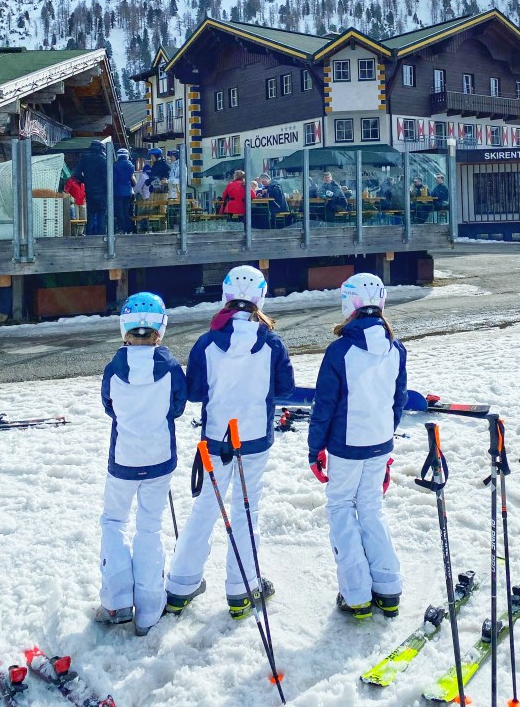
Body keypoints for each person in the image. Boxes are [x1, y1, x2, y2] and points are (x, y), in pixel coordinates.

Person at [165, 266, 294, 620]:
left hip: (217, 437)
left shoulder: (208, 342)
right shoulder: (270, 341)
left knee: (207, 505)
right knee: (246, 509)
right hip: (254, 439)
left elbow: (193, 392)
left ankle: (180, 584)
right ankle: (241, 588)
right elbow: (284, 389)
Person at [308, 273, 407, 621]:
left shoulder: (340, 350)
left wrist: (314, 448)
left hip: (346, 444)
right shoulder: (395, 347)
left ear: (349, 303)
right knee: (371, 510)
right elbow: (399, 400)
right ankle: (388, 587)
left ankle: (357, 594)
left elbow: (324, 405)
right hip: (378, 441)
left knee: (340, 509)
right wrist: (385, 438)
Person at [97, 292, 187, 636]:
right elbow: (177, 407)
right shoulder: (170, 366)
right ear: (159, 331)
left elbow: (109, 404)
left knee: (114, 520)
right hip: (159, 457)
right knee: (149, 526)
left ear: (125, 330)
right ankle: (149, 610)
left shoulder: (114, 368)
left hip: (124, 458)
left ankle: (118, 601)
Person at [74, 140, 108, 235]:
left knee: (91, 214)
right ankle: (101, 236)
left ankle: (89, 236)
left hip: (89, 190)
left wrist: (84, 180)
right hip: (101, 191)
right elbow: (107, 177)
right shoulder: (103, 160)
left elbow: (76, 174)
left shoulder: (84, 158)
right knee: (101, 214)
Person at [113, 148, 136, 234]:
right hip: (128, 191)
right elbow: (132, 179)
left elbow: (114, 180)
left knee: (119, 212)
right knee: (126, 211)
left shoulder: (115, 166)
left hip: (117, 191)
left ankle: (121, 229)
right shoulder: (131, 166)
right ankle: (129, 229)